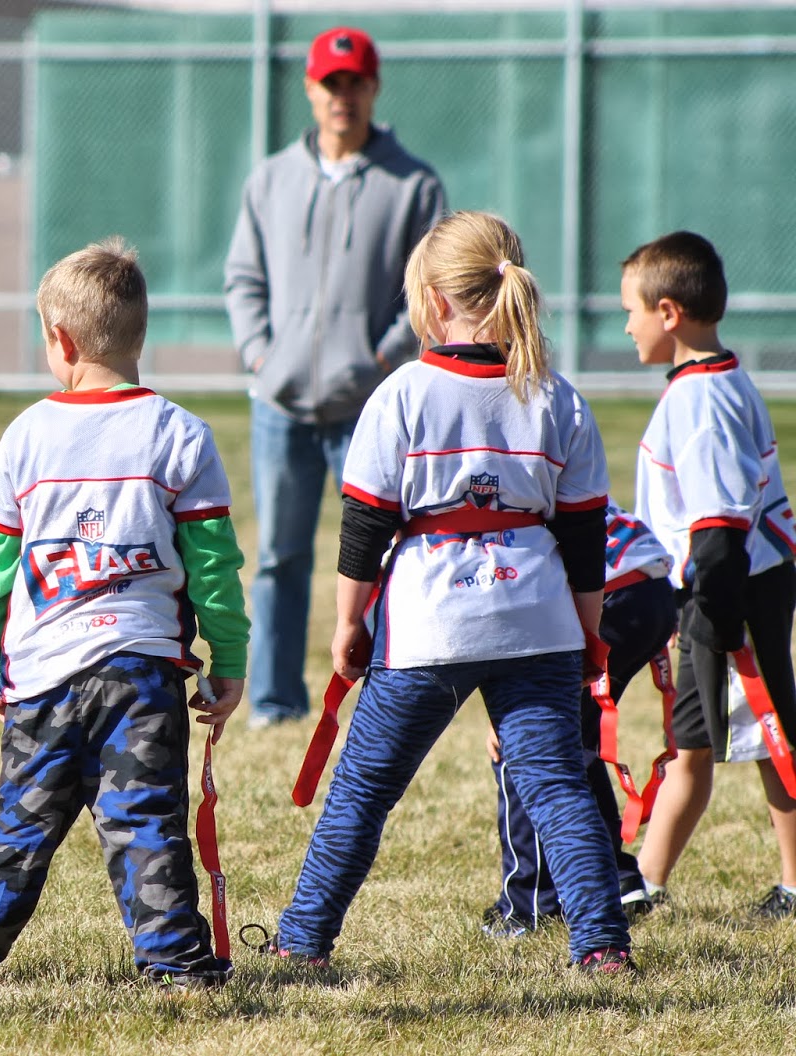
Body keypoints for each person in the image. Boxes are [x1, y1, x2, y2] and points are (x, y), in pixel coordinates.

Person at [267, 211, 634, 973]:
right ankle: (601, 946)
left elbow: (365, 526)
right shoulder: (558, 398)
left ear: (434, 302)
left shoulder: (404, 392)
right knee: (559, 790)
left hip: (427, 625)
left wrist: (347, 622)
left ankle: (303, 943)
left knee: (363, 792)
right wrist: (590, 631)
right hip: (538, 623)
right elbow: (583, 538)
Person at [0, 238, 249, 989]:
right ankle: (176, 964)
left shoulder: (25, 436)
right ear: (139, 335)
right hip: (143, 672)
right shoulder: (180, 433)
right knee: (147, 823)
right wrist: (231, 661)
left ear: (60, 342)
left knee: (21, 820)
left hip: (45, 676)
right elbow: (215, 569)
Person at [224, 25, 447, 728]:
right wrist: (260, 354)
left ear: (373, 89)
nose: (341, 96)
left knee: (383, 557)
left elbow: (431, 288)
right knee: (279, 557)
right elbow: (242, 278)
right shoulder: (270, 179)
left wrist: (382, 360)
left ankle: (384, 696)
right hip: (280, 404)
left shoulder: (414, 183)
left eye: (354, 83)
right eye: (330, 83)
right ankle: (275, 701)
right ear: (311, 89)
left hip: (369, 409)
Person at [621, 231, 796, 918]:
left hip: (730, 591)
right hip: (721, 588)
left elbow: (719, 524)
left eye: (631, 310)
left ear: (669, 313)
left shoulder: (701, 400)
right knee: (694, 739)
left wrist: (717, 619)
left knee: (770, 734)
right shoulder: (712, 380)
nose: (626, 325)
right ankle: (646, 882)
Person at [482, 503, 676, 936]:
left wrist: (509, 711)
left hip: (611, 592)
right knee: (571, 741)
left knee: (529, 742)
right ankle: (617, 878)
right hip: (649, 586)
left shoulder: (469, 513)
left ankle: (530, 903)